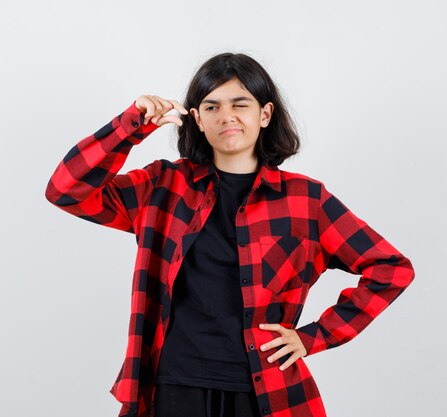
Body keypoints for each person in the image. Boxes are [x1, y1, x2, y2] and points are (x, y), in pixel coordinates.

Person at [45, 52, 415, 417]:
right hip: (174, 387)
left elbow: (391, 268)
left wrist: (311, 337)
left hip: (264, 392)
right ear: (197, 120)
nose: (227, 117)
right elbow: (66, 189)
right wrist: (131, 125)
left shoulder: (306, 200)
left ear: (264, 114)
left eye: (241, 104)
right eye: (212, 107)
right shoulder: (162, 186)